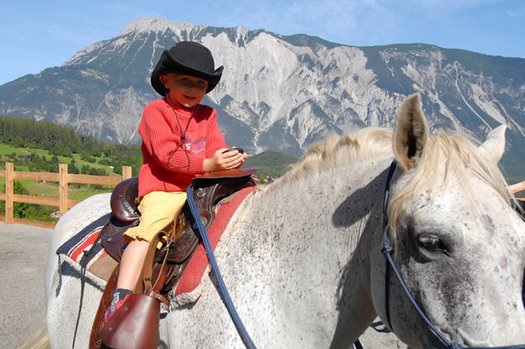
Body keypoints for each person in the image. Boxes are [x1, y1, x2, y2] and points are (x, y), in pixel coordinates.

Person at [104, 41, 248, 322]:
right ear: (165, 80)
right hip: (164, 188)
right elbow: (166, 156)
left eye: (201, 83)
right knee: (150, 229)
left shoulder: (208, 114)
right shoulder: (155, 111)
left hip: (198, 187)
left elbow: (214, 149)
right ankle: (120, 298)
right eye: (185, 81)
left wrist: (228, 157)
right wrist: (209, 164)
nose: (194, 89)